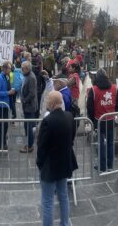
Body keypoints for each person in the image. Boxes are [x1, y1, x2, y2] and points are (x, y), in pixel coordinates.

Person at [37, 91, 77, 226]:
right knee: (63, 196)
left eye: (47, 101)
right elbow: (71, 138)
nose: (46, 103)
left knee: (47, 201)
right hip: (65, 163)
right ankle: (65, 223)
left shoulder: (47, 121)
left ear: (52, 103)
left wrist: (40, 164)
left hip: (50, 166)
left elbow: (41, 146)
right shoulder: (69, 116)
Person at [86, 69, 118, 172]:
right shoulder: (114, 88)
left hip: (99, 121)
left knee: (100, 144)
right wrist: (113, 111)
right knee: (110, 143)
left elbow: (90, 107)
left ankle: (102, 167)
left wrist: (92, 119)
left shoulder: (94, 90)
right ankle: (110, 166)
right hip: (110, 120)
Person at [0, 62, 15, 151]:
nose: (10, 70)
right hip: (0, 106)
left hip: (6, 105)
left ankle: (3, 143)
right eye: (9, 69)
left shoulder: (6, 77)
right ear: (5, 69)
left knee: (5, 126)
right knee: (1, 126)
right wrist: (8, 93)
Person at [20, 61, 38, 153]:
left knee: (29, 126)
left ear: (27, 68)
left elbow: (32, 94)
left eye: (23, 68)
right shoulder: (27, 76)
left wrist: (24, 100)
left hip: (29, 106)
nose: (21, 70)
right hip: (27, 105)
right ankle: (28, 143)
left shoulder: (31, 77)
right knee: (27, 125)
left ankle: (30, 145)